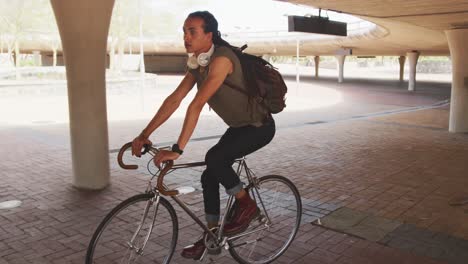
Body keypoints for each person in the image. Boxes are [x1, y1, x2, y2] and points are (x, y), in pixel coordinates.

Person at [131, 11, 275, 260]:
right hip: (239, 127)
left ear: (209, 35)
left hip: (259, 127)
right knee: (210, 175)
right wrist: (144, 134)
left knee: (215, 158)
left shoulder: (221, 60)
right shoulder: (199, 63)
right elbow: (175, 99)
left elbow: (195, 105)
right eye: (184, 32)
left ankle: (247, 205)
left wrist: (177, 149)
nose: (186, 37)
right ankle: (211, 236)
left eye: (192, 31)